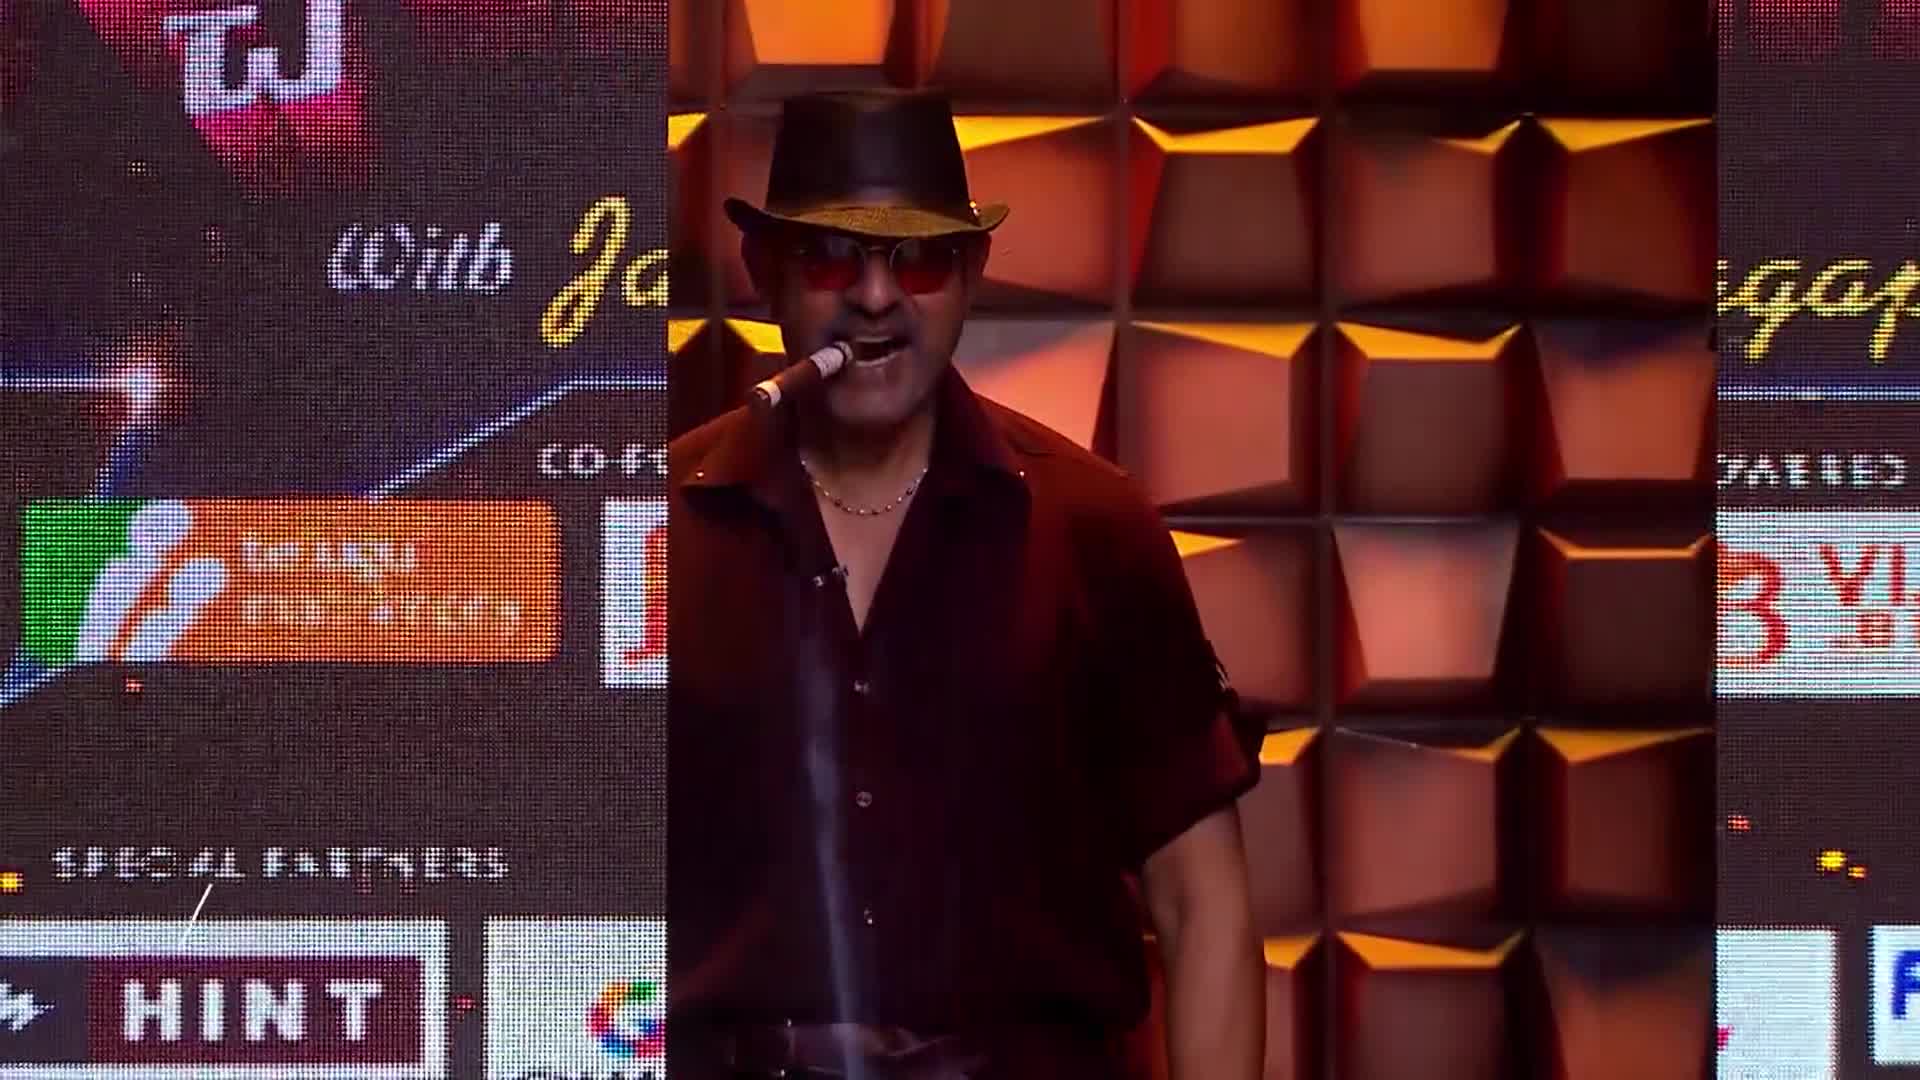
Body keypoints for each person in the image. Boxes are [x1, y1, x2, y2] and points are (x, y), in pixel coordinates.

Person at [668, 88, 1263, 1080]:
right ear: (765, 271)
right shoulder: (649, 529)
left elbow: (1202, 906)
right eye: (831, 256)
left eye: (920, 260)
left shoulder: (1097, 528)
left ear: (972, 276)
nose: (875, 298)